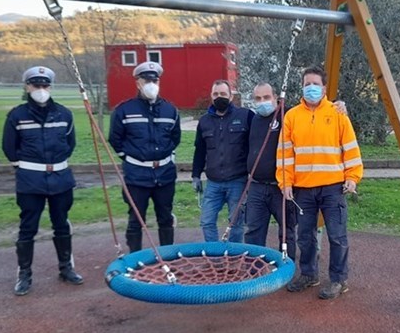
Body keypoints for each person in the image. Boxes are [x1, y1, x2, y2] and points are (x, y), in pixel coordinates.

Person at [278, 66, 363, 299]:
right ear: (302, 86)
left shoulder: (337, 114)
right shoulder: (292, 116)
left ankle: (338, 279)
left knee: (337, 235)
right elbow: (285, 154)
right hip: (303, 189)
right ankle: (308, 274)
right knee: (305, 235)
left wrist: (352, 178)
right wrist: (285, 182)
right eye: (307, 84)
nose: (311, 88)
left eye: (315, 84)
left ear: (324, 88)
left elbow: (351, 149)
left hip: (333, 188)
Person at [2, 66, 82, 296]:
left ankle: (66, 268)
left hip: (60, 178)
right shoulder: (17, 115)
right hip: (31, 181)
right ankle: (24, 274)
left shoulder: (64, 114)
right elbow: (9, 148)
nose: (41, 90)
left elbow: (70, 144)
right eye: (36, 85)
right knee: (28, 228)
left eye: (45, 85)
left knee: (62, 224)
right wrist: (27, 168)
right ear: (27, 87)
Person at [109, 61, 181, 251]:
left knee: (165, 217)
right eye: (146, 80)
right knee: (136, 219)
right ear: (138, 83)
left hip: (164, 174)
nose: (151, 84)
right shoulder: (124, 110)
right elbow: (115, 139)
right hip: (136, 175)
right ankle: (136, 260)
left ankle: (167, 257)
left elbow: (175, 137)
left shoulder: (170, 110)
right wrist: (133, 158)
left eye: (154, 80)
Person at [192, 80, 253, 242]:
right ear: (211, 97)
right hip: (213, 183)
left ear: (231, 96)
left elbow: (256, 144)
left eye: (223, 94)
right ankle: (215, 257)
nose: (220, 97)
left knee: (236, 223)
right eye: (216, 94)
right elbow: (199, 150)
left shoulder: (245, 116)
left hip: (238, 181)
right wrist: (195, 175)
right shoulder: (204, 121)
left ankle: (233, 256)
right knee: (206, 221)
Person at [243, 83, 297, 260]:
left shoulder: (287, 115)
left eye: (266, 98)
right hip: (257, 186)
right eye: (258, 99)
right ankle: (254, 271)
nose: (262, 102)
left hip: (280, 187)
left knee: (287, 230)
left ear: (276, 98)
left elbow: (311, 111)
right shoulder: (254, 119)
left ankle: (286, 267)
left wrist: (338, 104)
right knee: (253, 231)